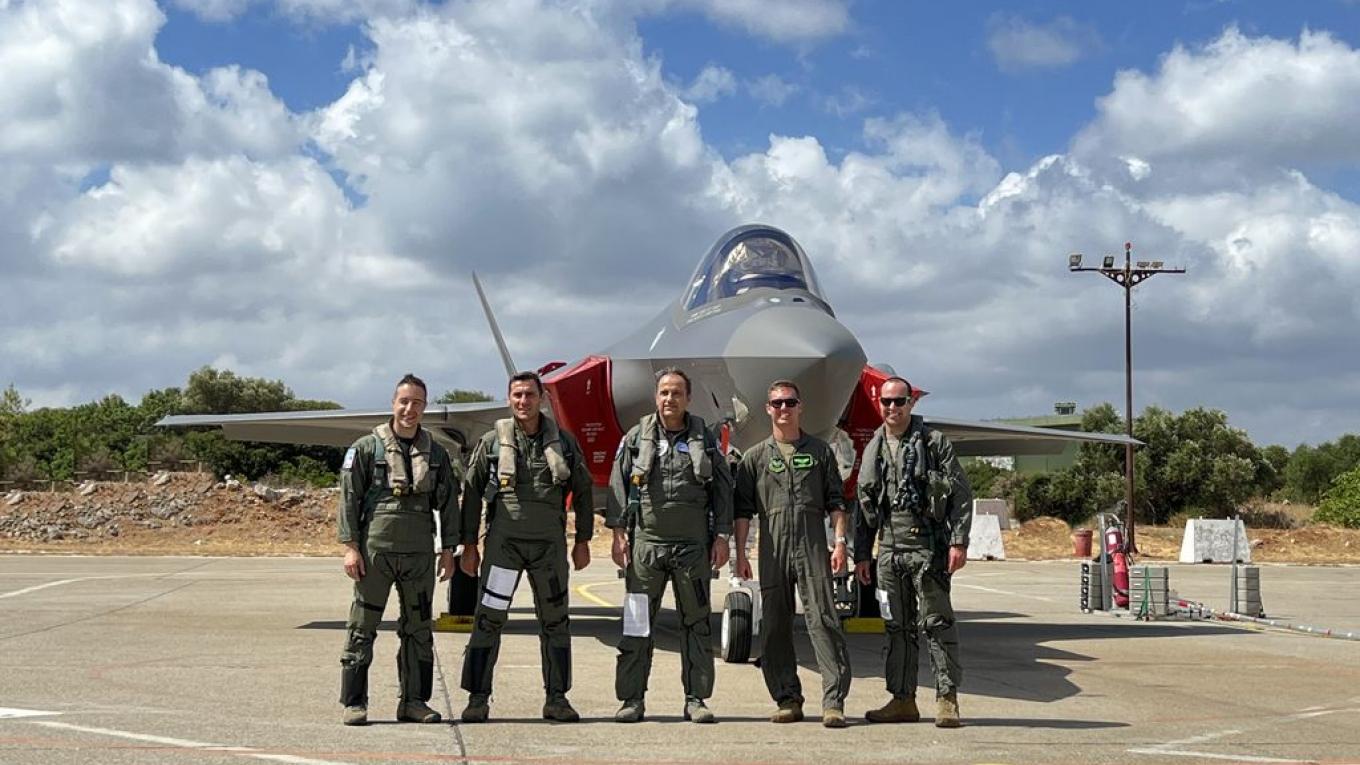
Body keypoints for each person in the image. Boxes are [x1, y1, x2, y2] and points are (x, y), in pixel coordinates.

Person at [457, 371, 594, 723]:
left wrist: (583, 540)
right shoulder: (491, 443)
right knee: (488, 619)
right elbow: (471, 495)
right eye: (517, 395)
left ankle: (557, 698)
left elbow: (583, 491)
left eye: (530, 395)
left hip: (549, 550)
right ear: (509, 399)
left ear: (541, 399)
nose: (523, 401)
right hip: (504, 548)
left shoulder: (564, 443)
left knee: (556, 622)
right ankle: (477, 698)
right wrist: (469, 545)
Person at [606, 368, 733, 724]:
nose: (669, 399)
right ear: (656, 397)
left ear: (688, 398)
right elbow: (618, 486)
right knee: (636, 625)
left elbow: (722, 489)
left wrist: (722, 536)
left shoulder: (705, 439)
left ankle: (696, 699)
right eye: (664, 392)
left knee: (697, 624)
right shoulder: (636, 438)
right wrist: (618, 534)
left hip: (692, 548)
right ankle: (632, 699)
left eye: (677, 393)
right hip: (646, 546)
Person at [337, 373, 459, 726]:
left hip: (419, 555)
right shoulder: (365, 449)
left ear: (425, 407)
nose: (409, 409)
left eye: (417, 403)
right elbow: (348, 499)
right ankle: (354, 702)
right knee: (362, 626)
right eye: (404, 401)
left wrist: (448, 550)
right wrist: (350, 547)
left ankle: (414, 702)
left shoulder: (436, 453)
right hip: (376, 553)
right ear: (393, 403)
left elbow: (449, 504)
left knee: (418, 629)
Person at [854, 376, 973, 728]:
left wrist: (959, 542)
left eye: (899, 401)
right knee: (897, 628)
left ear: (911, 403)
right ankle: (902, 699)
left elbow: (960, 494)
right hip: (889, 551)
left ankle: (947, 699)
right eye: (886, 401)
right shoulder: (874, 448)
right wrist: (863, 554)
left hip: (927, 549)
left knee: (937, 624)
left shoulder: (934, 443)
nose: (892, 407)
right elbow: (864, 506)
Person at [733, 380, 852, 728]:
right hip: (773, 549)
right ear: (768, 409)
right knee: (774, 626)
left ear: (800, 407)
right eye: (777, 403)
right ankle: (787, 699)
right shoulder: (755, 458)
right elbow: (742, 512)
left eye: (789, 402)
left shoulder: (819, 452)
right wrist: (741, 554)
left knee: (824, 621)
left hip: (812, 546)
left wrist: (840, 542)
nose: (783, 408)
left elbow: (836, 502)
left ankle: (833, 702)